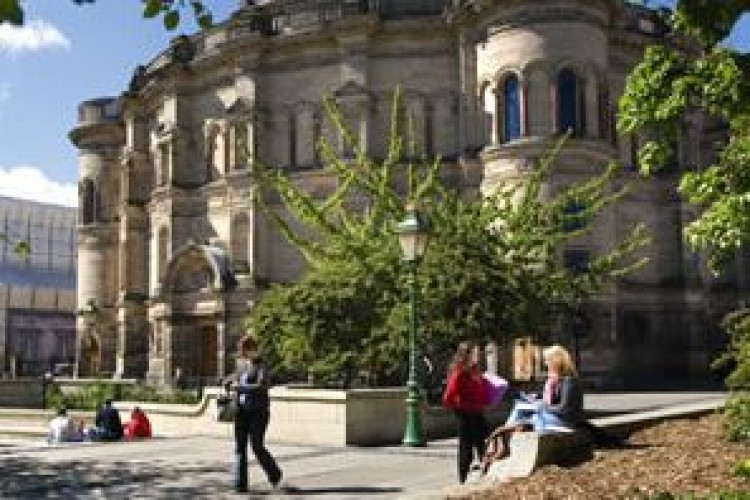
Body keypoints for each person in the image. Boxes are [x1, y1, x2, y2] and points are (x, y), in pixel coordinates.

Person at [483, 344, 584, 469]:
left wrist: (542, 406)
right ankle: (503, 442)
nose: (546, 363)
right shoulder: (555, 379)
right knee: (520, 407)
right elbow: (552, 400)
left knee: (531, 416)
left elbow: (564, 409)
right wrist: (536, 398)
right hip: (555, 416)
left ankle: (502, 441)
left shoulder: (569, 381)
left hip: (566, 421)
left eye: (548, 360)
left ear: (556, 361)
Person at [224, 337, 283, 493]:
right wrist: (227, 381)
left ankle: (274, 474)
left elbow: (263, 386)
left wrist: (241, 387)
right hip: (241, 411)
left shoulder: (262, 365)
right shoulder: (243, 365)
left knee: (257, 446)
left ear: (251, 349)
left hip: (258, 412)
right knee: (239, 447)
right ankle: (239, 484)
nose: (241, 354)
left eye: (243, 350)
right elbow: (235, 377)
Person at [442, 341, 489, 484]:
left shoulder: (475, 371)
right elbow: (447, 397)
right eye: (474, 352)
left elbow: (479, 390)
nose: (477, 355)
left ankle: (485, 474)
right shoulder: (459, 373)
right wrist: (461, 406)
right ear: (466, 354)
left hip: (477, 412)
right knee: (466, 448)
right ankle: (462, 480)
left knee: (485, 443)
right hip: (465, 414)